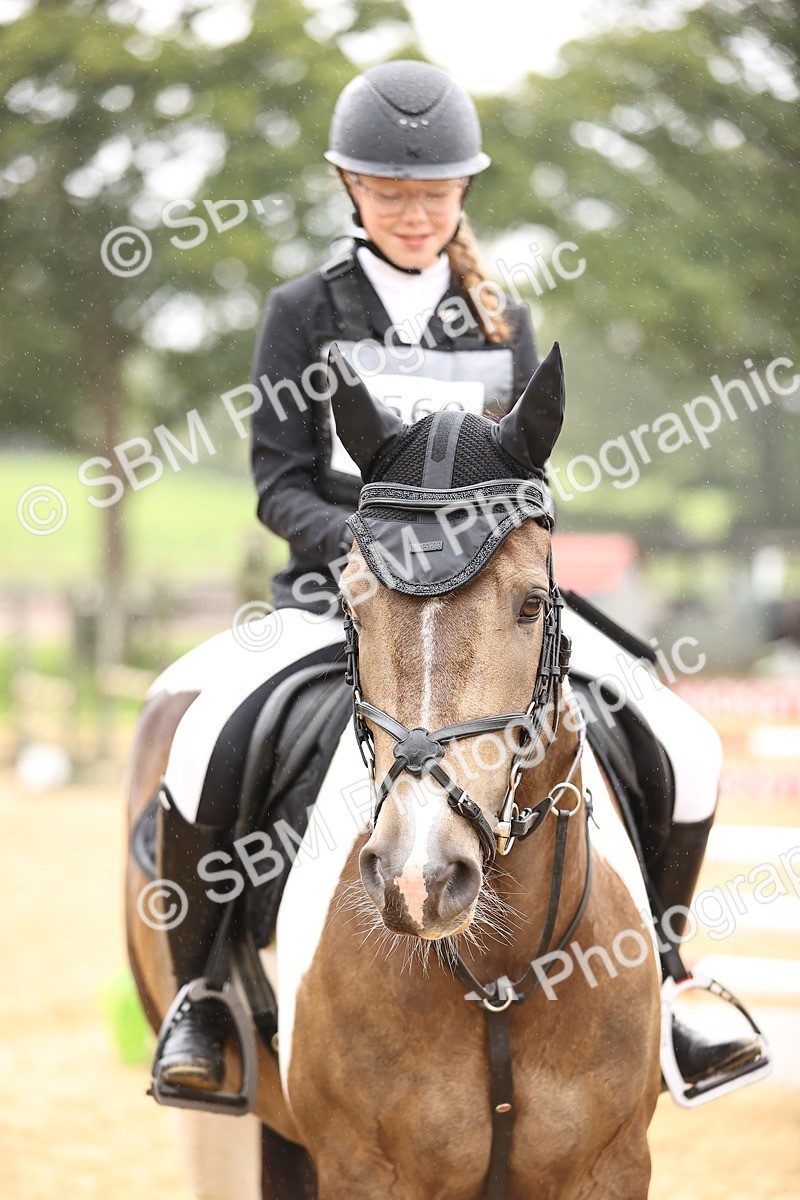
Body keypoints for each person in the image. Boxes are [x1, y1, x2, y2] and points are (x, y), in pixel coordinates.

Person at [148, 60, 763, 1101]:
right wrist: (379, 557)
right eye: (390, 192)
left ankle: (664, 977)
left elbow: (521, 477)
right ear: (349, 184)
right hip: (344, 593)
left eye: (432, 193)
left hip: (483, 605)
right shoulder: (303, 311)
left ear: (462, 192)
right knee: (211, 732)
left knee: (683, 740)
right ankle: (199, 993)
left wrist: (470, 566)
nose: (412, 212)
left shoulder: (500, 320)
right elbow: (277, 482)